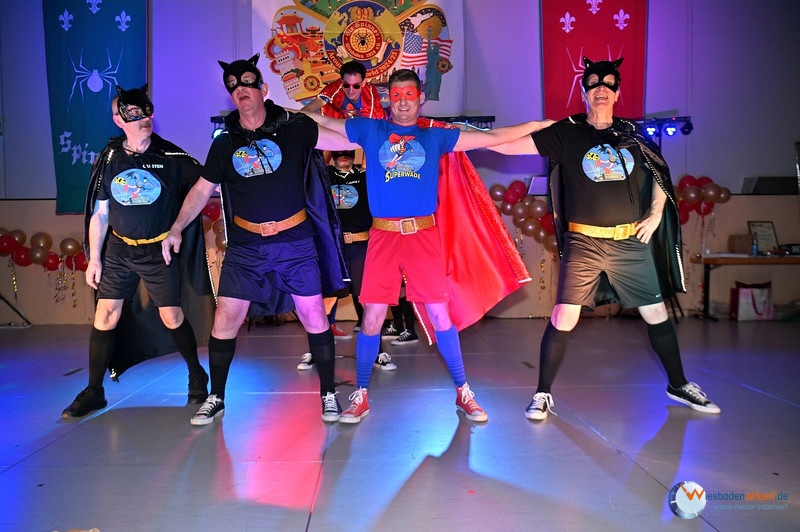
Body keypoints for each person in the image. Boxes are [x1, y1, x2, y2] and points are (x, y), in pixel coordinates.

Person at [303, 68, 551, 424]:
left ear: (420, 99)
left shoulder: (435, 136)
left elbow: (492, 137)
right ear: (388, 100)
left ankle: (464, 392)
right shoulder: (370, 130)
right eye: (396, 95)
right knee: (371, 318)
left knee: (439, 316)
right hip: (383, 237)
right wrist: (282, 113)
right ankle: (361, 395)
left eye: (410, 95)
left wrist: (538, 124)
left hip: (423, 236)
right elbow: (323, 124)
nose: (403, 102)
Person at [490, 57, 720, 420]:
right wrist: (465, 138)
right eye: (594, 83)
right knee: (564, 315)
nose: (601, 89)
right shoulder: (568, 133)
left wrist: (655, 213)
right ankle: (543, 393)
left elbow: (660, 174)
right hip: (585, 243)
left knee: (656, 313)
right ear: (584, 92)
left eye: (608, 83)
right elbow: (505, 146)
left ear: (617, 91)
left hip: (629, 242)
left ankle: (678, 384)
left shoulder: (633, 135)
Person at [162, 54, 357, 426]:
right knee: (225, 319)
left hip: (295, 242)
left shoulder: (294, 128)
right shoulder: (225, 143)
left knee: (314, 315)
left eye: (248, 82)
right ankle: (217, 397)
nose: (241, 90)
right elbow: (201, 190)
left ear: (263, 89)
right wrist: (175, 228)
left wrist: (384, 134)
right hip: (246, 247)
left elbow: (344, 137)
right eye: (233, 86)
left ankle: (329, 394)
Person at [62, 85, 209, 419]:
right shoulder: (109, 158)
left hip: (158, 251)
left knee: (171, 316)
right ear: (119, 120)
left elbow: (205, 184)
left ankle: (196, 373)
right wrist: (94, 258)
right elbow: (100, 212)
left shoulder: (171, 157)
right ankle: (94, 390)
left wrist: (177, 227)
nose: (144, 118)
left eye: (146, 111)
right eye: (133, 113)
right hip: (118, 250)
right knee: (105, 315)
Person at [296, 149, 397, 372]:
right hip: (332, 248)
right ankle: (315, 352)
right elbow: (316, 163)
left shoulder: (364, 176)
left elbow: (371, 158)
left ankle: (377, 351)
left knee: (368, 301)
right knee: (323, 301)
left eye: (348, 152)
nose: (344, 155)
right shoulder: (324, 177)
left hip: (361, 247)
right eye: (339, 152)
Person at [301, 60, 385, 119]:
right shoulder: (335, 88)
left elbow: (371, 127)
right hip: (336, 128)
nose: (351, 91)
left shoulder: (370, 97)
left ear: (363, 83)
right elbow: (308, 109)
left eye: (356, 86)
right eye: (346, 85)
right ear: (341, 82)